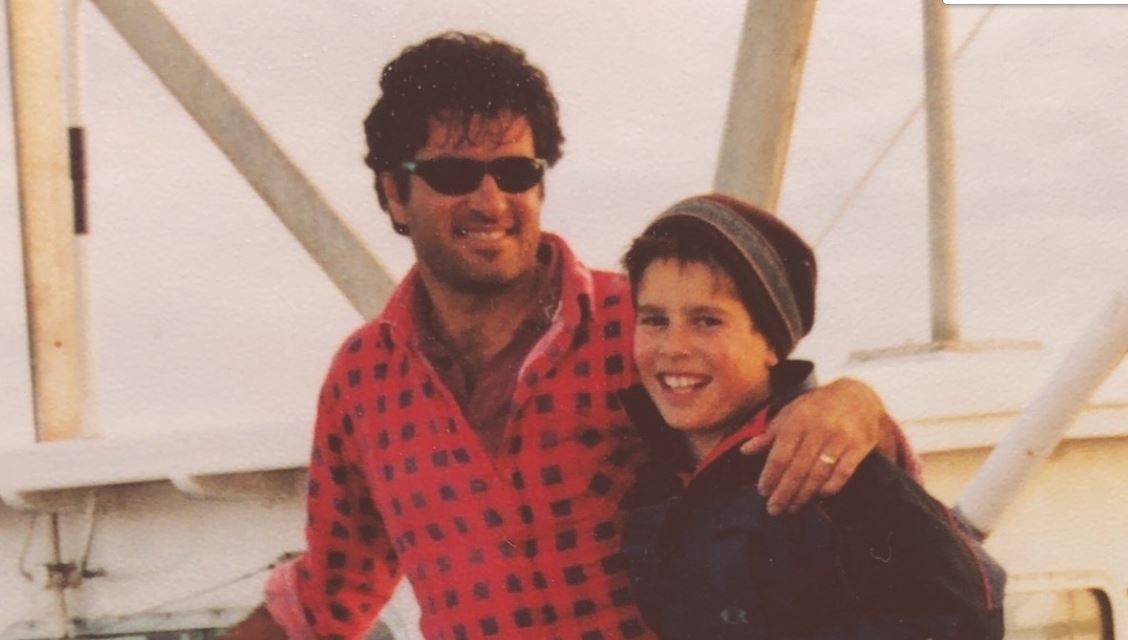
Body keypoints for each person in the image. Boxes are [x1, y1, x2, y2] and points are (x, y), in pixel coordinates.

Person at [224, 32, 917, 640]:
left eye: (517, 172)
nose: (491, 201)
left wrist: (853, 405)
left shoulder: (641, 326)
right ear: (393, 195)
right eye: (454, 173)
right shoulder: (361, 380)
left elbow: (797, 442)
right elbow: (325, 597)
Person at [618, 194, 1004, 639]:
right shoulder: (655, 480)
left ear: (771, 343)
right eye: (654, 320)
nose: (673, 347)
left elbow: (968, 604)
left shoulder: (830, 465)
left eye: (707, 321)